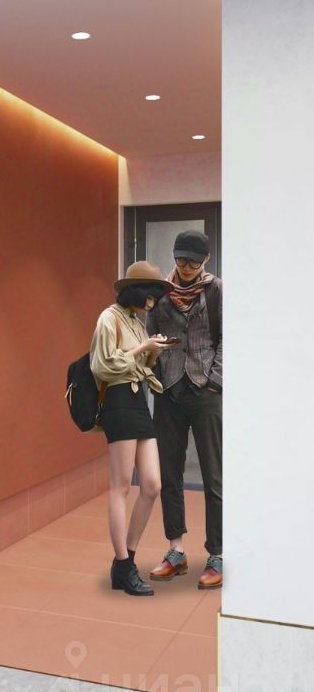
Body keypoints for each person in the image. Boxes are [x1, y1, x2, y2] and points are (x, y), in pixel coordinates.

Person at [90, 261, 174, 596]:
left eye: (155, 297)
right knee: (121, 485)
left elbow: (138, 363)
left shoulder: (137, 323)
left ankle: (126, 560)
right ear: (135, 292)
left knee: (152, 484)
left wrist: (153, 350)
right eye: (149, 296)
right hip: (118, 400)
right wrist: (143, 348)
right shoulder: (108, 318)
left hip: (139, 400)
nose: (152, 302)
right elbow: (103, 365)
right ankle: (124, 566)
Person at [146, 230, 223, 589]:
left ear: (205, 259)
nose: (187, 267)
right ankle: (175, 550)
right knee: (169, 473)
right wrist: (156, 372)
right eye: (181, 260)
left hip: (205, 392)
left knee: (213, 474)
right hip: (169, 392)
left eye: (193, 260)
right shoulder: (161, 293)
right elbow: (149, 337)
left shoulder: (216, 290)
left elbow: (227, 338)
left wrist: (215, 381)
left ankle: (217, 553)